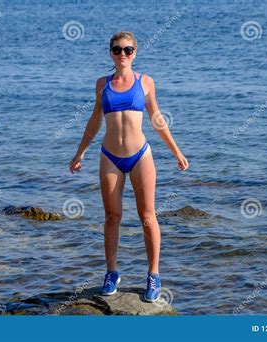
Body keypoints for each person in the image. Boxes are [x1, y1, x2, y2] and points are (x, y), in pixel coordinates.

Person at [69, 31, 189, 302]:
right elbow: (94, 121)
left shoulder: (145, 82)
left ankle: (154, 275)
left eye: (128, 49)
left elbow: (157, 118)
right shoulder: (102, 84)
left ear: (135, 52)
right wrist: (80, 153)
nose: (122, 54)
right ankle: (111, 273)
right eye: (117, 49)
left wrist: (176, 152)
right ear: (110, 53)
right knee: (112, 217)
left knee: (147, 216)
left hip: (140, 156)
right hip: (110, 156)